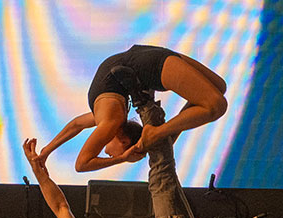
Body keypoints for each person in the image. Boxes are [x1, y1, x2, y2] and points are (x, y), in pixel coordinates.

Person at [17, 104, 207, 218]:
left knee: (161, 155)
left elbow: (60, 207)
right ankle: (146, 103)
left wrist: (38, 172)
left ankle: (195, 104)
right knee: (161, 173)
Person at [37, 44, 228, 173]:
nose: (107, 153)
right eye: (111, 155)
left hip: (148, 64)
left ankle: (157, 133)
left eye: (113, 153)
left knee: (217, 105)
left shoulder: (110, 121)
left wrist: (123, 158)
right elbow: (76, 125)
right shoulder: (109, 115)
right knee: (218, 87)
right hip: (145, 55)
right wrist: (46, 151)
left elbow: (82, 164)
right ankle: (166, 133)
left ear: (124, 141)